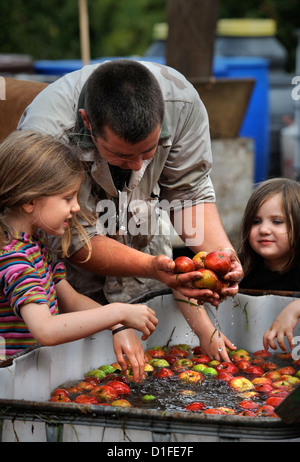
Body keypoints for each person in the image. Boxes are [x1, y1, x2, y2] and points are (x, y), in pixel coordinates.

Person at [17, 59, 243, 359]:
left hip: (145, 252)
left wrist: (222, 259)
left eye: (149, 153)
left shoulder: (182, 105)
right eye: (121, 155)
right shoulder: (47, 134)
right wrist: (152, 269)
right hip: (74, 286)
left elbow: (188, 193)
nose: (138, 166)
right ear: (87, 122)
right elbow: (71, 239)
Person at [0, 130, 159, 382]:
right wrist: (118, 312)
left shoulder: (35, 243)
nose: (75, 207)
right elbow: (46, 330)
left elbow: (69, 300)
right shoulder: (14, 258)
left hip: (33, 377)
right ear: (30, 201)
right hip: (12, 385)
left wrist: (117, 326)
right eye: (67, 198)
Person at [238, 177, 300, 352]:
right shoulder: (239, 268)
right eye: (256, 221)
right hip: (251, 358)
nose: (264, 229)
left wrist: (296, 307)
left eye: (277, 221)